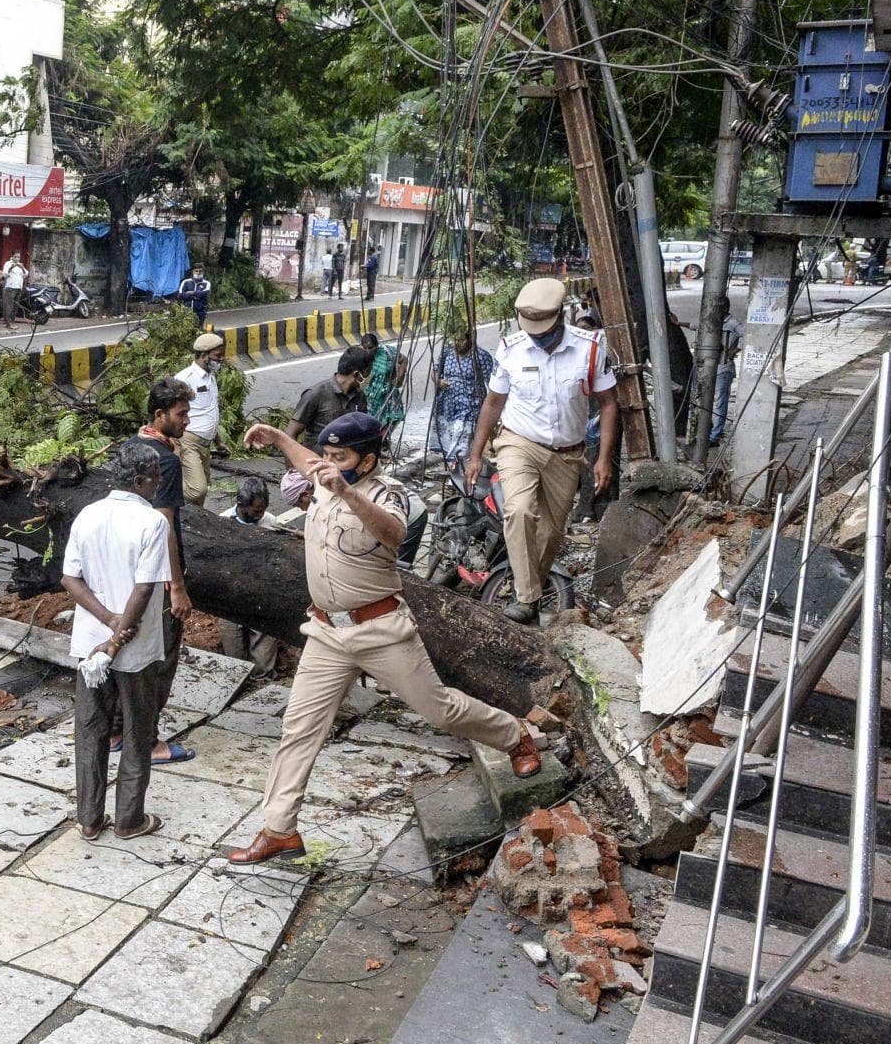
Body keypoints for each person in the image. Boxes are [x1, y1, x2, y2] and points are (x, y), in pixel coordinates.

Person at [227, 412, 539, 864]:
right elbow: (308, 459)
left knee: (441, 710)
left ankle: (515, 736)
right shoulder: (325, 474)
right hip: (327, 632)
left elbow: (392, 533)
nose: (328, 464)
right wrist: (278, 438)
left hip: (381, 629)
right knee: (297, 730)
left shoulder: (387, 492)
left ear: (367, 459)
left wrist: (346, 492)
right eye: (327, 456)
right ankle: (279, 830)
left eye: (341, 457)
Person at [465, 277, 619, 624]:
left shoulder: (591, 348)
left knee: (550, 533)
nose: (537, 336)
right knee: (519, 510)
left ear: (561, 316)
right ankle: (526, 598)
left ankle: (529, 591)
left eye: (543, 329)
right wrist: (475, 455)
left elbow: (609, 404)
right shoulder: (511, 348)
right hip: (519, 442)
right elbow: (493, 403)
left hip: (568, 453)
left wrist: (603, 458)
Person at [61, 443, 178, 840]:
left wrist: (107, 623)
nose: (160, 482)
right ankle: (129, 820)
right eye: (156, 476)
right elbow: (144, 589)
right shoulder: (152, 522)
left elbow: (70, 579)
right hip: (135, 647)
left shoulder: (88, 514)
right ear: (140, 480)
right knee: (137, 730)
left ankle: (89, 820)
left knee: (91, 730)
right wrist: (119, 631)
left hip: (90, 644)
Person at [116, 379, 196, 766]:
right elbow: (165, 524)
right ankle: (146, 741)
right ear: (159, 415)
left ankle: (117, 730)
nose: (186, 420)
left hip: (127, 571)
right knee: (160, 659)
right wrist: (177, 585)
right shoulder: (165, 461)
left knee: (127, 648)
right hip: (158, 573)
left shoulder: (129, 448)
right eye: (181, 414)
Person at [217, 476, 279, 669]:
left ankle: (263, 678)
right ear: (242, 505)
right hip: (231, 592)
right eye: (256, 511)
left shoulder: (270, 522)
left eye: (263, 510)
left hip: (262, 592)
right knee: (233, 653)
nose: (261, 514)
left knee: (263, 654)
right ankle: (239, 675)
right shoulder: (223, 522)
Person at [173, 332, 224, 507]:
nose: (221, 359)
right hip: (188, 442)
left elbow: (210, 411)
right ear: (203, 356)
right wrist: (174, 446)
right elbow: (171, 414)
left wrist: (218, 441)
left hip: (205, 444)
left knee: (201, 494)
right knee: (197, 489)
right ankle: (165, 488)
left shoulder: (210, 376)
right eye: (217, 356)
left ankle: (194, 528)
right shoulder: (184, 379)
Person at [431, 330, 494, 465]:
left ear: (470, 339)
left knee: (462, 440)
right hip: (447, 405)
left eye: (461, 340)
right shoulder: (447, 353)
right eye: (455, 340)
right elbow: (435, 371)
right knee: (448, 439)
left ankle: (458, 467)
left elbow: (492, 383)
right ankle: (455, 467)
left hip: (470, 405)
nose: (457, 344)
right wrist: (438, 381)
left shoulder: (481, 356)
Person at [288, 349, 371, 448]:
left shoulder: (360, 397)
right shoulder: (315, 394)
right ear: (357, 374)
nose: (369, 377)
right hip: (317, 460)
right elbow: (290, 434)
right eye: (367, 373)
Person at [359, 331, 405, 440]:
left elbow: (404, 360)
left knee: (395, 416)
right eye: (365, 348)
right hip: (371, 396)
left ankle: (383, 439)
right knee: (373, 420)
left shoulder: (387, 352)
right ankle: (377, 442)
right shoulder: (361, 357)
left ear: (376, 345)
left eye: (371, 347)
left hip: (388, 392)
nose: (368, 351)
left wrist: (399, 377)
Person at [709, 311, 744, 446]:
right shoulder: (713, 320)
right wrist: (680, 323)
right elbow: (696, 326)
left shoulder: (732, 323)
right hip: (710, 366)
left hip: (724, 367)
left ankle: (715, 436)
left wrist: (734, 351)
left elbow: (747, 334)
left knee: (720, 402)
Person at [0, 255, 28, 329]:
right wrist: (11, 267)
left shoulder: (20, 265)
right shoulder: (8, 263)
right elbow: (5, 274)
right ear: (12, 257)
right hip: (10, 287)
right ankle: (8, 323)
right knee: (9, 305)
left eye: (18, 257)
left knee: (15, 306)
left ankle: (12, 321)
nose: (17, 258)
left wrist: (22, 268)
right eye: (16, 256)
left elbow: (25, 274)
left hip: (18, 287)